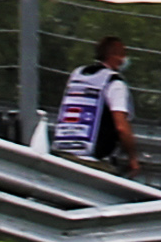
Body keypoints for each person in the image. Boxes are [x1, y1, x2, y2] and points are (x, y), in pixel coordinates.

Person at [49, 32, 139, 177]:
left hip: (61, 152)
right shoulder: (114, 83)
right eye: (123, 54)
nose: (125, 59)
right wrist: (133, 158)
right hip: (93, 161)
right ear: (114, 55)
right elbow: (121, 127)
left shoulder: (77, 75)